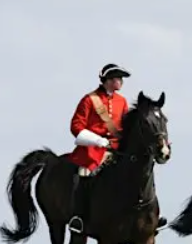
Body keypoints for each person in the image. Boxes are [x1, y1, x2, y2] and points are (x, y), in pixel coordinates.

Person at [66, 63, 168, 233]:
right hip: (93, 149)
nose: (120, 82)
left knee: (142, 169)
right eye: (116, 78)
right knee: (85, 174)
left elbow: (126, 127)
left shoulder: (121, 101)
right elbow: (76, 127)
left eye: (120, 79)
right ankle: (79, 217)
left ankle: (150, 215)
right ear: (107, 80)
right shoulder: (89, 100)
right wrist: (97, 140)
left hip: (117, 148)